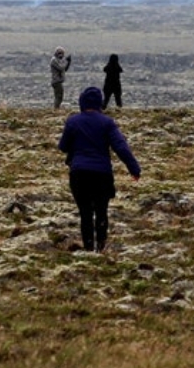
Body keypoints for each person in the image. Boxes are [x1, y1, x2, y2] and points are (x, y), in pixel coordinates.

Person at [57, 86, 142, 253]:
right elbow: (121, 147)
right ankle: (101, 247)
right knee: (101, 211)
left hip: (79, 174)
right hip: (102, 174)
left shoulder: (73, 121)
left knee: (85, 213)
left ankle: (88, 247)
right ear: (99, 103)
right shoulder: (107, 123)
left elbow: (63, 146)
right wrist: (134, 168)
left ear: (82, 102)